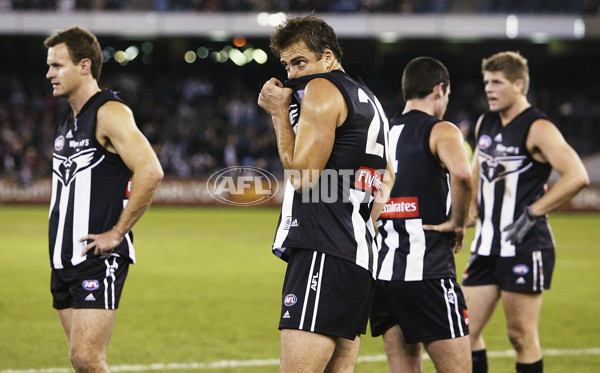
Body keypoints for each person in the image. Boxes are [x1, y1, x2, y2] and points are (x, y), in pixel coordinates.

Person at [258, 15, 394, 372]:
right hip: (358, 255)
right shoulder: (370, 99)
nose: (292, 74)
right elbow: (387, 179)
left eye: (300, 61)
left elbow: (301, 176)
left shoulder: (322, 89)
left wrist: (277, 114)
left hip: (323, 248)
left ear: (328, 57)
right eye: (286, 65)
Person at [45, 26, 164, 372]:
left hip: (98, 258)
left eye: (57, 65)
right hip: (63, 260)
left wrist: (116, 233)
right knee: (81, 362)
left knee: (86, 357)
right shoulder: (66, 119)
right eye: (49, 65)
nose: (49, 73)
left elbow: (150, 170)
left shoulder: (109, 112)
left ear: (84, 66)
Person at [462, 51, 589, 373]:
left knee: (520, 335)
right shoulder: (485, 121)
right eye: (486, 82)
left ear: (518, 85)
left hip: (525, 245)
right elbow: (478, 167)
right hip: (486, 246)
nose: (489, 89)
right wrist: (471, 207)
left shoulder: (538, 127)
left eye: (497, 83)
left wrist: (533, 213)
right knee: (463, 334)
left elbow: (577, 176)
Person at [370, 57, 473, 373]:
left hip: (384, 273)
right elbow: (463, 173)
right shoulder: (440, 129)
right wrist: (457, 222)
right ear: (440, 89)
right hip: (427, 271)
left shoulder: (380, 132)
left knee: (403, 366)